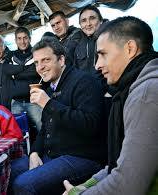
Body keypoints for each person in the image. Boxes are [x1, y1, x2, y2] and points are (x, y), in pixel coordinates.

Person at [63, 16, 158, 195]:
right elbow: (118, 165)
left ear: (130, 49)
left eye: (102, 54)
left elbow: (127, 185)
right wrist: (87, 185)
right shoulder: (131, 90)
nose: (97, 65)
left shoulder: (146, 93)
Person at [9, 38, 107, 194]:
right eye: (36, 63)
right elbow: (44, 128)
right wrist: (34, 152)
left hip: (83, 157)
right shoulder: (50, 88)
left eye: (46, 60)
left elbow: (90, 125)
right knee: (9, 170)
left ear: (61, 60)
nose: (40, 67)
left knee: (23, 184)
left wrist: (48, 104)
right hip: (54, 154)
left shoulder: (84, 81)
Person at [4, 27, 42, 132]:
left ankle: (44, 148)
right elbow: (6, 70)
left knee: (41, 126)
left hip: (34, 100)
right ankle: (23, 149)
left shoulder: (36, 52)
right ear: (16, 40)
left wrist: (16, 73)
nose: (22, 41)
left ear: (29, 39)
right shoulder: (11, 55)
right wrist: (25, 68)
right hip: (16, 102)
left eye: (25, 38)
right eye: (19, 38)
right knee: (18, 132)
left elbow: (36, 71)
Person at [73, 5, 103, 74]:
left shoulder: (111, 38)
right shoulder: (77, 44)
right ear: (80, 25)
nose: (88, 24)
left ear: (101, 20)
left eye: (92, 18)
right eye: (83, 21)